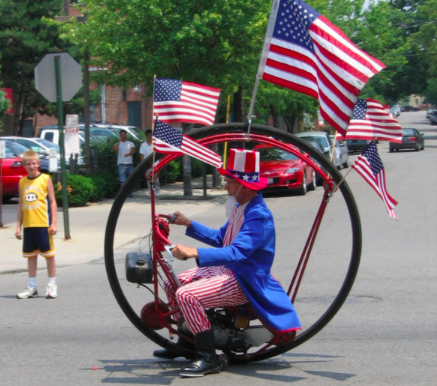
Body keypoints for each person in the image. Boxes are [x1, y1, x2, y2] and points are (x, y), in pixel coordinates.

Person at [154, 148, 301, 377]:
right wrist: (188, 223)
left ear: (244, 185)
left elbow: (237, 252)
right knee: (174, 283)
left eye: (229, 182)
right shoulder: (242, 208)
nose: (225, 187)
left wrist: (194, 252)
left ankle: (208, 356)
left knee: (187, 295)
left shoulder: (258, 215)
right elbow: (222, 238)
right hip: (230, 271)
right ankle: (188, 341)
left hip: (244, 279)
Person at [15, 150, 58, 299]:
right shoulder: (22, 182)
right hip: (28, 225)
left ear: (38, 164)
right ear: (24, 166)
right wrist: (18, 226)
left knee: (48, 255)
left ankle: (52, 286)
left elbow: (52, 201)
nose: (32, 166)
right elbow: (20, 204)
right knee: (31, 256)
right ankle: (32, 287)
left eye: (34, 163)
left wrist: (53, 223)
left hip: (43, 224)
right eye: (29, 164)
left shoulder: (45, 179)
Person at [113, 129, 135, 196]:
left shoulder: (130, 143)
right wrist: (118, 142)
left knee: (130, 180)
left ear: (126, 135)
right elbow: (114, 149)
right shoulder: (117, 144)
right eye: (121, 135)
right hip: (121, 164)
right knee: (123, 180)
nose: (123, 136)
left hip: (129, 164)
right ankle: (123, 194)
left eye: (124, 135)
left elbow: (133, 151)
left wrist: (128, 154)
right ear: (120, 136)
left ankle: (130, 193)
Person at [139, 129, 160, 196]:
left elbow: (158, 154)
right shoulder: (143, 145)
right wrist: (143, 164)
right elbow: (142, 155)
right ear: (146, 136)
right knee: (149, 179)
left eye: (150, 135)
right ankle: (151, 193)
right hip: (147, 164)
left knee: (156, 179)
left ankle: (157, 191)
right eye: (148, 135)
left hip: (155, 163)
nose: (149, 136)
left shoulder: (155, 144)